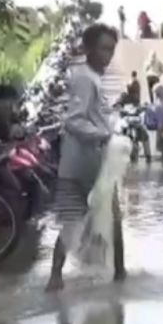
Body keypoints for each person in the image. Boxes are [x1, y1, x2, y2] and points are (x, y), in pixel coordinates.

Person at [47, 23, 124, 292]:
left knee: (104, 220)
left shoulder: (92, 77)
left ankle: (116, 275)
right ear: (89, 49)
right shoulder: (85, 78)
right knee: (76, 223)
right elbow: (74, 121)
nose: (108, 55)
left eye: (112, 50)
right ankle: (118, 277)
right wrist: (103, 135)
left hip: (92, 165)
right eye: (104, 48)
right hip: (82, 166)